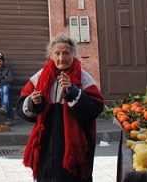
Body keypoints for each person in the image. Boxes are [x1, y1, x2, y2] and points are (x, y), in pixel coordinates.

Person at [19, 34, 104, 182]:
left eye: (66, 53)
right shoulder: (39, 77)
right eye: (57, 53)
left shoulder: (84, 78)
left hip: (73, 146)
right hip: (46, 143)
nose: (61, 58)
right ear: (50, 55)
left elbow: (96, 108)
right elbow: (21, 106)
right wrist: (34, 102)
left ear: (73, 54)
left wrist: (73, 92)